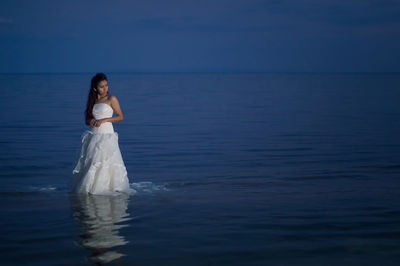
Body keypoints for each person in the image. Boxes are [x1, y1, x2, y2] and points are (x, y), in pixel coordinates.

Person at [72, 73, 134, 195]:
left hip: (107, 135)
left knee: (107, 161)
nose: (105, 88)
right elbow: (86, 119)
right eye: (101, 86)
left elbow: (120, 117)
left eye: (106, 85)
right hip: (94, 135)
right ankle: (91, 187)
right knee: (93, 162)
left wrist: (105, 120)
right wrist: (91, 120)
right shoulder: (92, 100)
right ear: (95, 88)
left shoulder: (111, 99)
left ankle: (110, 186)